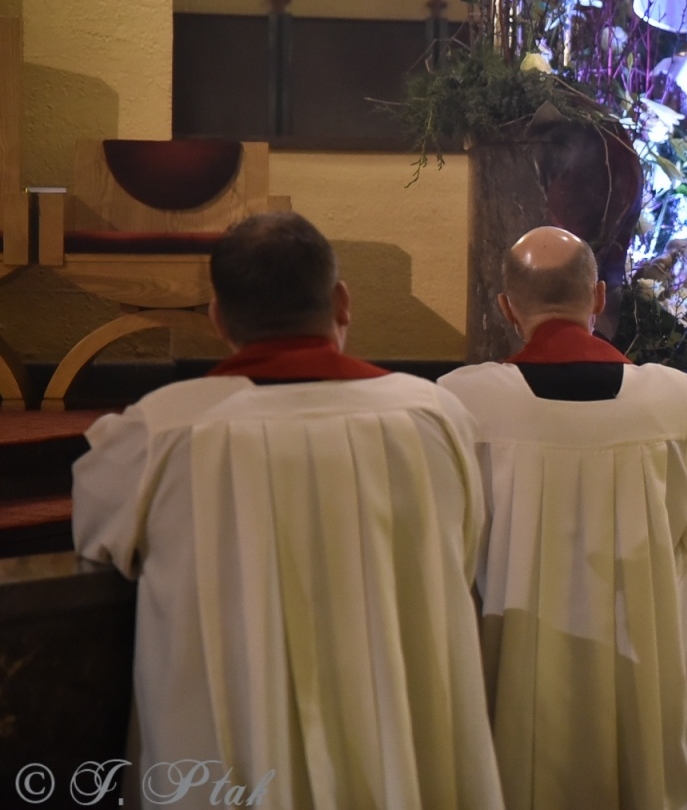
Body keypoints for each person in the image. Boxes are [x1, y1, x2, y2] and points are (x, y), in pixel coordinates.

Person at [73, 212, 503, 808]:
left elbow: (94, 539)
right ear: (343, 302)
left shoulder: (159, 433)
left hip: (236, 750)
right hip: (396, 737)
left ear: (217, 318)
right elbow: (462, 554)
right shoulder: (434, 417)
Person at [438, 226, 687, 810]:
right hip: (642, 641)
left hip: (513, 651)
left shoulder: (464, 400)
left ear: (505, 307)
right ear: (599, 297)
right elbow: (686, 530)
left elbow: (453, 543)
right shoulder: (670, 398)